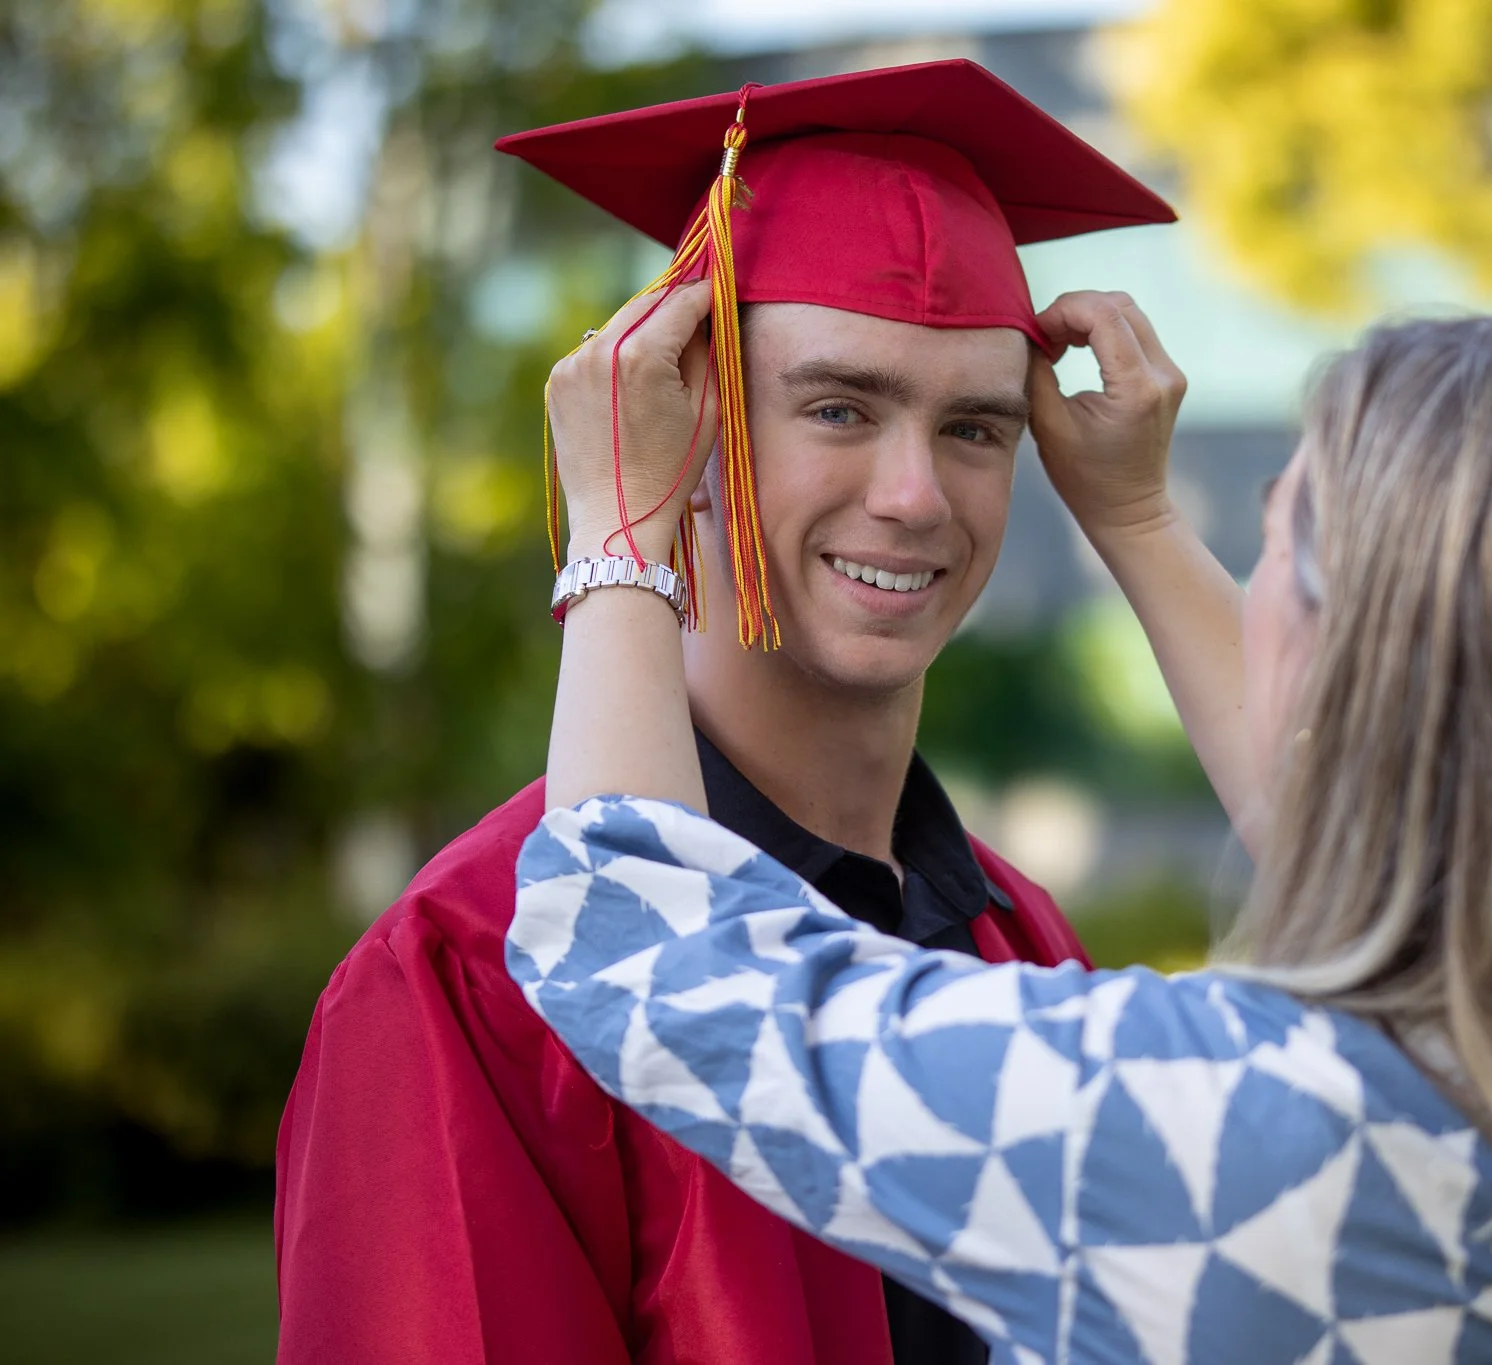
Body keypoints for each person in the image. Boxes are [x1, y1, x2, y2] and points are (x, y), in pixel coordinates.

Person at [512, 290, 1492, 1362]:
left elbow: (638, 945)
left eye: (1275, 540)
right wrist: (1131, 513)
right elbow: (1406, 827)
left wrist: (621, 523)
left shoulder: (1230, 1133)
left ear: (1358, 659)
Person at [275, 62, 1174, 1365]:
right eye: (839, 407)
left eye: (976, 429)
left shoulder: (1018, 943)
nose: (916, 494)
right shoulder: (467, 975)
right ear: (692, 416)